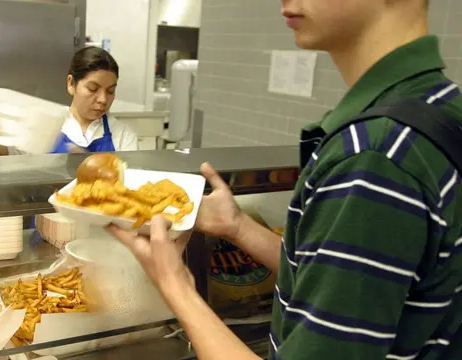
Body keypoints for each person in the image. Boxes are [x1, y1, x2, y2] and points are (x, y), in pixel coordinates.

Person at [108, 0, 462, 359]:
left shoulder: (374, 156)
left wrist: (174, 283)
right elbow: (359, 286)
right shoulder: (439, 105)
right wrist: (238, 227)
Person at [0, 46, 139, 156]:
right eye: (93, 89)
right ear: (71, 84)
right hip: (46, 211)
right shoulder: (44, 123)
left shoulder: (123, 136)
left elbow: (128, 185)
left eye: (110, 91)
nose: (103, 99)